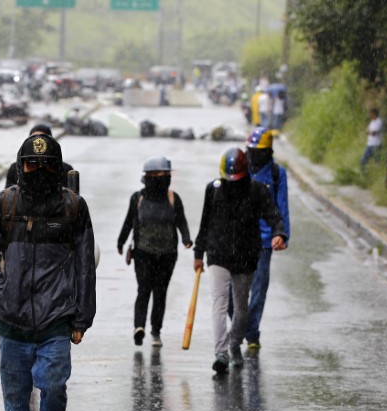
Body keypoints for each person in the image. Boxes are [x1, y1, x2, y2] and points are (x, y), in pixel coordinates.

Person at [0, 133, 96, 411]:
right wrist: (2, 291)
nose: (39, 170)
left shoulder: (74, 208)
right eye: (32, 163)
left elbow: (86, 266)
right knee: (15, 399)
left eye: (46, 164)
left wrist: (81, 319)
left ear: (57, 167)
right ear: (21, 165)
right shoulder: (3, 205)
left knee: (54, 388)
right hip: (12, 325)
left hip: (56, 320)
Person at [193, 148, 287, 375]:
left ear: (246, 174)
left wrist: (279, 233)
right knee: (219, 304)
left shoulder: (257, 191)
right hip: (218, 255)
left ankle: (235, 344)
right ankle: (221, 353)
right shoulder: (213, 190)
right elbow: (205, 223)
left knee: (241, 309)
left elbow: (274, 215)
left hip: (246, 257)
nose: (232, 184)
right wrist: (198, 253)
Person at [117, 156, 193, 348]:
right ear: (149, 176)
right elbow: (128, 221)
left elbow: (181, 221)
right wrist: (121, 241)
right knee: (144, 289)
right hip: (142, 253)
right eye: (159, 175)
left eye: (166, 175)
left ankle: (156, 331)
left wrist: (186, 238)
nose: (163, 178)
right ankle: (139, 326)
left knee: (160, 292)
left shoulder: (173, 198)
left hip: (167, 255)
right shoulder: (138, 198)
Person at [242, 127, 290, 358]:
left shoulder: (277, 174)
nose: (253, 155)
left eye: (258, 151)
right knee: (235, 290)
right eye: (251, 150)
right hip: (240, 238)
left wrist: (283, 234)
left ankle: (251, 332)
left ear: (268, 151)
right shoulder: (240, 169)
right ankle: (239, 325)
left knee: (259, 289)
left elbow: (283, 205)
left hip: (264, 241)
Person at [4, 124, 74, 189]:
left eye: (43, 138)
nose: (38, 141)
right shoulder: (15, 168)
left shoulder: (65, 169)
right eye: (31, 164)